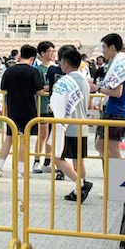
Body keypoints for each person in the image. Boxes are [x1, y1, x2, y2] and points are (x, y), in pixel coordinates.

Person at [91, 33, 125, 187]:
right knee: (101, 145)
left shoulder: (120, 65)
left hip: (116, 111)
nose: (102, 51)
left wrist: (97, 88)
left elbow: (117, 92)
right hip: (113, 109)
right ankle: (112, 181)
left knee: (112, 148)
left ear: (112, 47)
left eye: (104, 47)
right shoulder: (121, 62)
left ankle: (118, 184)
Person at [0, 45, 45, 178]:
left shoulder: (9, 71)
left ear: (20, 55)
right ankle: (20, 169)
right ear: (33, 58)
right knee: (24, 139)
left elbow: (3, 89)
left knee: (9, 138)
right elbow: (39, 91)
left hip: (12, 108)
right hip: (29, 109)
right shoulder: (33, 72)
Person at [49, 48, 93, 202]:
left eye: (61, 61)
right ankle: (79, 189)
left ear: (66, 64)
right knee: (78, 160)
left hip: (67, 127)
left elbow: (57, 103)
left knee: (57, 158)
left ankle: (81, 184)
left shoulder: (65, 82)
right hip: (82, 125)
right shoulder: (85, 81)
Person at [34, 41, 56, 174]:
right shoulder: (38, 70)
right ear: (42, 53)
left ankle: (48, 161)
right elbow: (38, 88)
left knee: (52, 135)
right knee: (43, 134)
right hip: (42, 104)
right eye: (50, 51)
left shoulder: (56, 68)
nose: (52, 54)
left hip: (55, 105)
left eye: (53, 51)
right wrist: (52, 86)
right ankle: (36, 160)